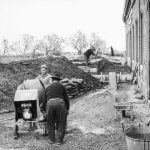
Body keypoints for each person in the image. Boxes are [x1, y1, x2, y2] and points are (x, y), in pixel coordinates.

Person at [40, 72, 69, 145]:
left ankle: (51, 140)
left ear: (52, 80)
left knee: (50, 122)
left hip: (50, 104)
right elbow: (66, 99)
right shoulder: (62, 87)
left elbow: (44, 101)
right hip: (60, 104)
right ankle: (60, 140)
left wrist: (43, 111)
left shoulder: (48, 87)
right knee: (62, 121)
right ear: (59, 80)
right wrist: (67, 109)